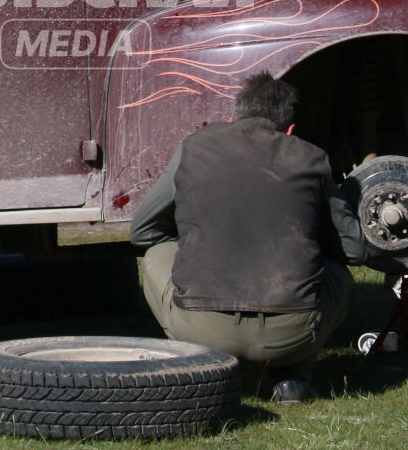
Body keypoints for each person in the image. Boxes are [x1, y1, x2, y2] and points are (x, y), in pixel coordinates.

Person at [127, 72, 352, 403]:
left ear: (232, 118)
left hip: (203, 329)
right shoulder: (312, 157)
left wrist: (191, 237)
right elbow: (352, 248)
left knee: (154, 257)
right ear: (289, 130)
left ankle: (197, 366)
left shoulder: (194, 147)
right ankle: (293, 377)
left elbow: (141, 231)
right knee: (338, 276)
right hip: (291, 335)